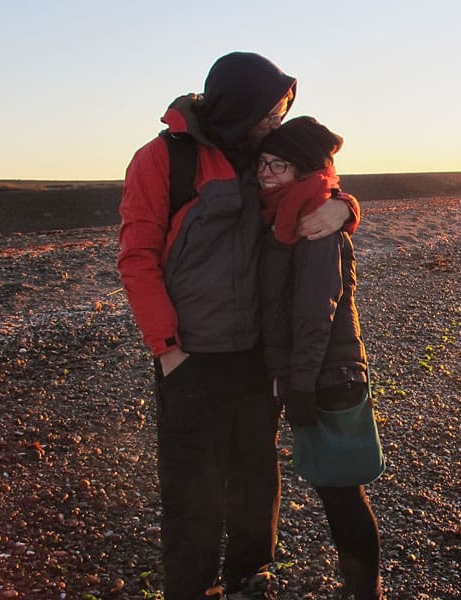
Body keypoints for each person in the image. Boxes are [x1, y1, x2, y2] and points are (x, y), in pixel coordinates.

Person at [117, 52, 359, 600]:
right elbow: (136, 258)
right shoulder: (161, 161)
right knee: (192, 487)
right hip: (191, 356)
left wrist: (345, 206)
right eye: (270, 108)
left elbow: (315, 183)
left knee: (255, 475)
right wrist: (168, 350)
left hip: (256, 352)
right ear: (240, 105)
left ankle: (251, 575)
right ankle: (191, 587)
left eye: (283, 108)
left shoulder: (264, 157)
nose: (277, 118)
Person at [257, 116, 382, 600]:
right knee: (335, 486)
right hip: (312, 370)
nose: (265, 173)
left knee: (340, 489)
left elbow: (315, 313)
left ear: (305, 168)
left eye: (278, 165)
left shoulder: (313, 221)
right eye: (262, 163)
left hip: (328, 373)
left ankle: (364, 592)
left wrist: (301, 385)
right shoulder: (287, 209)